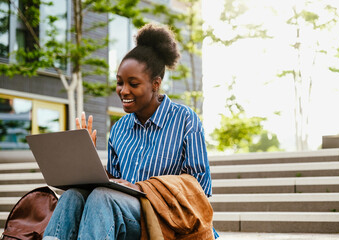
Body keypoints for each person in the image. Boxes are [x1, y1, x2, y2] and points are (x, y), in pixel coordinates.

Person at [43, 23, 218, 240]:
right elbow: (113, 182)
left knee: (102, 198)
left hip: (162, 218)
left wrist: (143, 188)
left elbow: (200, 188)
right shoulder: (119, 129)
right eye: (119, 83)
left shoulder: (185, 120)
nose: (123, 91)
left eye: (133, 84)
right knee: (72, 197)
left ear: (156, 84)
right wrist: (86, 160)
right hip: (119, 210)